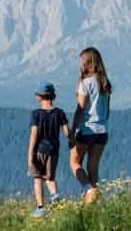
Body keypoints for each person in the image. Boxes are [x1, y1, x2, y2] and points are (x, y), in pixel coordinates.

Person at [68, 46, 113, 204]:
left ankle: (88, 189)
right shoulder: (105, 83)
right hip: (102, 130)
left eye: (81, 62)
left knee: (74, 162)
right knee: (93, 167)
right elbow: (107, 110)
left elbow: (80, 109)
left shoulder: (85, 83)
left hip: (87, 129)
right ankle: (92, 202)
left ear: (87, 63)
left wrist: (72, 131)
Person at [26, 84, 69, 214]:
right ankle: (55, 195)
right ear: (53, 96)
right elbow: (67, 132)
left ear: (39, 97)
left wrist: (30, 155)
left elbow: (34, 135)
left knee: (38, 178)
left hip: (39, 150)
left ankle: (40, 208)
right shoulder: (59, 113)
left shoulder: (36, 114)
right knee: (50, 177)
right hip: (54, 151)